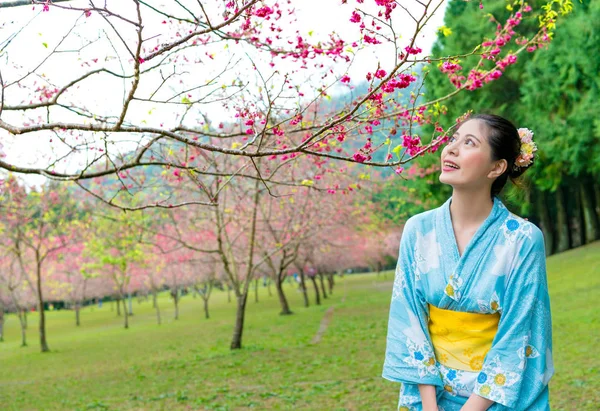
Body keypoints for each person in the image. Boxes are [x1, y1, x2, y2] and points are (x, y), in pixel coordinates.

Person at [382, 114, 553, 411]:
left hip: (498, 398)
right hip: (431, 396)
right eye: (453, 139)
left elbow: (518, 333)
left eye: (469, 142)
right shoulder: (418, 230)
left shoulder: (523, 239)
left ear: (497, 167)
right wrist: (429, 405)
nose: (451, 149)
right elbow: (408, 317)